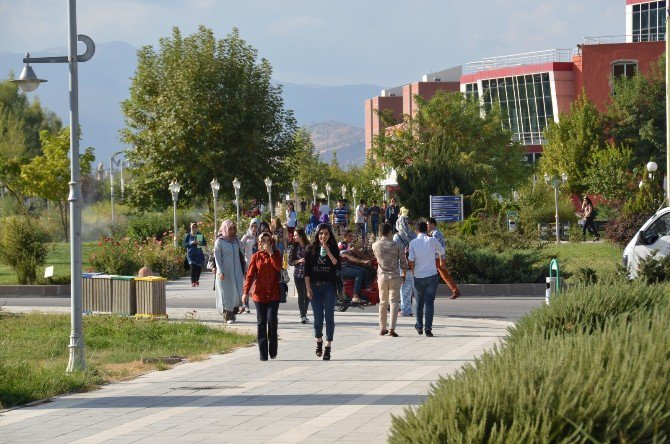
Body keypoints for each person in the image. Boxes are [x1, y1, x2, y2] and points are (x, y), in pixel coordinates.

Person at [243, 232, 282, 361]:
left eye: (267, 240)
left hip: (274, 294)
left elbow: (278, 268)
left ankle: (273, 350)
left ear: (271, 242)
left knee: (271, 320)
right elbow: (250, 276)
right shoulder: (256, 257)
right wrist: (245, 292)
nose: (265, 243)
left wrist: (271, 253)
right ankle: (263, 354)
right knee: (261, 322)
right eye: (263, 240)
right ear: (259, 243)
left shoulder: (276, 254)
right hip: (259, 294)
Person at [304, 223, 341, 361]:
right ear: (317, 234)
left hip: (329, 286)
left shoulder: (333, 248)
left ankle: (328, 347)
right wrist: (308, 288)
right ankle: (319, 340)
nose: (323, 236)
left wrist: (329, 252)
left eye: (326, 233)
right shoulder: (310, 249)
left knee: (329, 317)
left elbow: (338, 266)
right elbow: (306, 271)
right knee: (318, 318)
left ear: (329, 235)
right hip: (314, 287)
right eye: (321, 233)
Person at [408, 221, 445, 337]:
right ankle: (428, 329)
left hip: (418, 276)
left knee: (419, 303)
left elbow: (411, 260)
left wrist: (414, 271)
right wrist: (441, 262)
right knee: (429, 303)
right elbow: (442, 251)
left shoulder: (413, 243)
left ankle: (419, 326)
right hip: (432, 275)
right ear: (427, 230)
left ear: (416, 231)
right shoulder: (432, 240)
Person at [372, 223, 408, 337]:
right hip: (395, 276)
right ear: (390, 232)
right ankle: (392, 328)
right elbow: (403, 263)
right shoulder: (398, 246)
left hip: (382, 276)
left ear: (379, 232)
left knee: (383, 302)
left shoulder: (375, 245)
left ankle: (382, 328)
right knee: (394, 303)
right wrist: (404, 275)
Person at [214, 220, 245, 324]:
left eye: (233, 228)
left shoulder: (236, 241)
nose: (232, 231)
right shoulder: (220, 241)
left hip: (237, 272)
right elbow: (217, 257)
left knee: (237, 293)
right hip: (225, 273)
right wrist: (220, 271)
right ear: (225, 229)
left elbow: (241, 254)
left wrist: (245, 268)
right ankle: (228, 316)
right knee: (227, 294)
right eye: (230, 228)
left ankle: (233, 313)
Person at [428, 218, 460, 299]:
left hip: (438, 257)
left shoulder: (435, 234)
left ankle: (455, 291)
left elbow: (434, 246)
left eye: (428, 224)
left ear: (433, 225)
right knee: (444, 275)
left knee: (438, 274)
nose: (427, 226)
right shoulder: (434, 233)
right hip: (439, 257)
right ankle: (455, 291)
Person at [394, 208, 416, 317]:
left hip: (402, 266)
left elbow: (394, 253)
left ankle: (405, 310)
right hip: (413, 266)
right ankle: (411, 309)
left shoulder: (397, 237)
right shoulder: (413, 235)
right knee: (411, 289)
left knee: (404, 290)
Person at [338, 230, 370, 304]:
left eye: (352, 236)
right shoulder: (341, 245)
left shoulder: (348, 245)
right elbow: (349, 257)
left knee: (365, 271)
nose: (351, 237)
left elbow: (357, 253)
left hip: (347, 265)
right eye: (349, 236)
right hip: (341, 267)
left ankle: (363, 293)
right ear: (344, 236)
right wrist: (363, 261)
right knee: (359, 273)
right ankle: (355, 296)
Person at [289, 228, 310, 324]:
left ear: (301, 236)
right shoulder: (294, 247)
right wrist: (299, 261)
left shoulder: (309, 246)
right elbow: (290, 262)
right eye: (294, 235)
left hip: (308, 275)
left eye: (296, 235)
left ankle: (304, 314)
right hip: (298, 274)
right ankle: (303, 315)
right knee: (301, 295)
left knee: (307, 295)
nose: (294, 237)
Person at [183, 222, 206, 287]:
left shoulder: (200, 235)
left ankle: (197, 280)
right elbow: (184, 245)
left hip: (199, 254)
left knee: (199, 268)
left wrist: (200, 243)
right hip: (191, 254)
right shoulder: (188, 235)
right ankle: (193, 282)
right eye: (193, 227)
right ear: (190, 227)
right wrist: (191, 242)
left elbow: (204, 243)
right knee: (193, 268)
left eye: (196, 227)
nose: (194, 228)